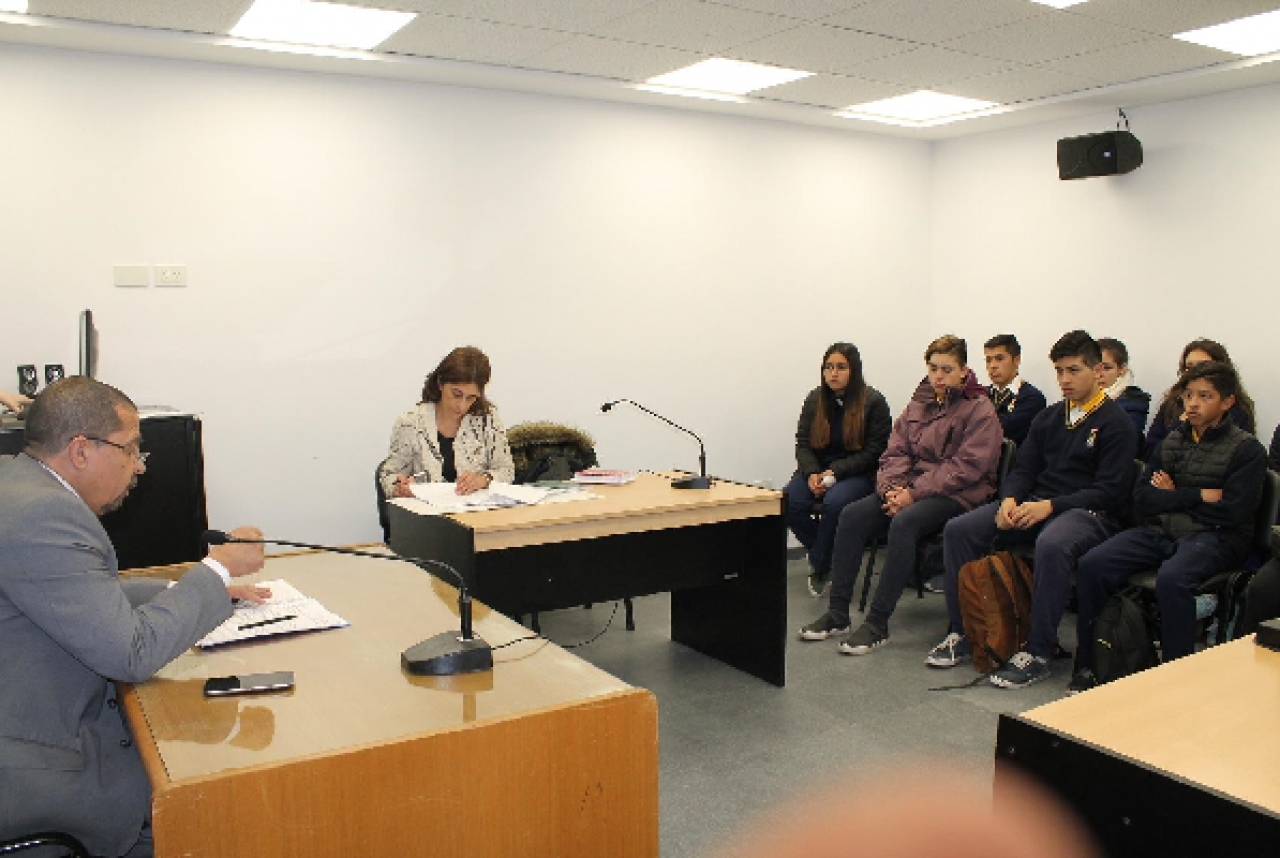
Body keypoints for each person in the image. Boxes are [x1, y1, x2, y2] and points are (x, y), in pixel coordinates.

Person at [0, 377, 267, 857]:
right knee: (220, 805)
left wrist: (193, 589)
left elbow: (80, 592)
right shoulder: (45, 514)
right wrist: (218, 568)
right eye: (130, 449)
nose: (140, 465)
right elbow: (131, 652)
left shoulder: (16, 482)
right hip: (39, 774)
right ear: (81, 450)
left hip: (35, 729)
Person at [928, 330, 1137, 688]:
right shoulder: (1050, 417)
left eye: (1074, 370)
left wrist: (1049, 506)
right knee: (959, 530)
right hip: (1037, 503)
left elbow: (1109, 492)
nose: (1065, 380)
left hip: (1089, 513)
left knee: (1053, 544)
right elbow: (1023, 469)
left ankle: (1039, 653)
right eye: (1059, 371)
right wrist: (1010, 499)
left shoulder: (1117, 424)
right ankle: (962, 632)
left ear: (1097, 370)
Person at [1070, 362, 1267, 693]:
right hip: (1161, 531)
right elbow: (1143, 497)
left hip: (1215, 537)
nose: (1193, 403)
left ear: (1227, 402)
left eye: (1205, 396)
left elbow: (1233, 511)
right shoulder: (1174, 439)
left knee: (1173, 579)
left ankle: (1174, 680)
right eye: (1188, 395)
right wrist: (1197, 495)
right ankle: (1089, 664)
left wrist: (1172, 495)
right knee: (1093, 564)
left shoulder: (1246, 450)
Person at [798, 335, 1002, 653]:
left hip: (959, 495)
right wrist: (893, 489)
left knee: (905, 523)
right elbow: (894, 453)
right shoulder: (918, 403)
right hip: (910, 490)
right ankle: (838, 615)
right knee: (852, 515)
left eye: (947, 369)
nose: (938, 376)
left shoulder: (979, 409)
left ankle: (877, 624)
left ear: (964, 370)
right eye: (933, 368)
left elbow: (966, 468)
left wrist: (913, 494)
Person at [784, 343, 892, 597]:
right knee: (788, 501)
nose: (833, 373)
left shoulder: (874, 402)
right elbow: (803, 443)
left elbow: (875, 451)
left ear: (854, 370)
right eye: (828, 367)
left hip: (857, 473)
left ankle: (820, 564)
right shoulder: (815, 399)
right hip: (817, 470)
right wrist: (812, 472)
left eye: (841, 367)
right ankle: (825, 556)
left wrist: (835, 472)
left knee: (834, 502)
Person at [380, 346, 515, 499]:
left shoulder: (487, 420)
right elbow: (389, 476)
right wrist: (398, 487)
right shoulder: (411, 424)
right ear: (440, 383)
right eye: (456, 394)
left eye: (471, 397)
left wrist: (484, 480)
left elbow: (507, 471)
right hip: (428, 511)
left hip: (475, 510)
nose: (462, 405)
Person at [1144, 338, 1255, 460]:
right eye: (1189, 367)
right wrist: (1180, 426)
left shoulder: (1236, 410)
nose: (1195, 372)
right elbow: (1150, 452)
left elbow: (1235, 455)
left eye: (1203, 365)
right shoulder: (1172, 403)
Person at [984, 334, 1046, 447]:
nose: (992, 365)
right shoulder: (980, 395)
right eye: (988, 360)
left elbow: (1001, 429)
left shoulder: (1032, 398)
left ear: (1016, 360)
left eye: (999, 359)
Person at [1095, 337, 1150, 442]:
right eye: (1094, 367)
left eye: (1107, 368)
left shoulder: (1134, 403)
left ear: (1122, 369)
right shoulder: (1077, 398)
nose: (1099, 374)